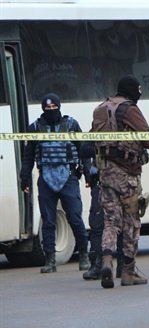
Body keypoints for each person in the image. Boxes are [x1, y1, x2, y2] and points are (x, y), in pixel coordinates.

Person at [93, 75, 149, 289]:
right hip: (127, 174)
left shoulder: (101, 108)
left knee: (111, 221)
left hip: (106, 172)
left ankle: (107, 262)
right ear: (132, 91)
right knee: (131, 221)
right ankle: (128, 271)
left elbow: (93, 139)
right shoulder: (129, 109)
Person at [19, 93, 90, 273]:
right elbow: (28, 156)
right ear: (43, 109)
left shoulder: (72, 125)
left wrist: (89, 174)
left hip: (69, 177)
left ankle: (84, 255)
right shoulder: (34, 128)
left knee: (74, 217)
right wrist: (24, 177)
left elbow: (84, 151)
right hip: (46, 179)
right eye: (47, 108)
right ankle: (50, 260)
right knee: (48, 221)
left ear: (59, 106)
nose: (51, 111)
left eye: (54, 107)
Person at [79, 144, 125, 281]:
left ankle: (123, 267)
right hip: (102, 183)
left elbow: (144, 153)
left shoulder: (128, 127)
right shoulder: (100, 128)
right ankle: (98, 266)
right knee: (98, 224)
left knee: (122, 225)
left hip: (121, 183)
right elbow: (84, 149)